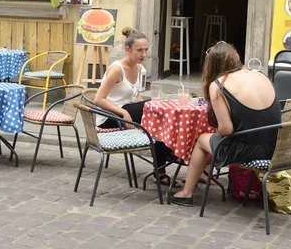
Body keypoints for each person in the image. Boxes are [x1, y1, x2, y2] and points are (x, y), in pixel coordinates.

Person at [170, 41, 281, 206]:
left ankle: (186, 193)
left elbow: (226, 129)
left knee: (202, 140)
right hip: (275, 148)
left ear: (212, 66)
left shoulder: (219, 85)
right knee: (213, 139)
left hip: (248, 151)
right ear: (236, 57)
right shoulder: (260, 75)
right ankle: (203, 174)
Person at [94, 27, 175, 185]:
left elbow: (134, 94)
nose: (144, 54)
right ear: (127, 49)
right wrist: (124, 112)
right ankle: (167, 159)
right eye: (139, 50)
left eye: (145, 50)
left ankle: (162, 167)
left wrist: (146, 105)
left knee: (158, 116)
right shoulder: (117, 70)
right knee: (157, 110)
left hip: (127, 112)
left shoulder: (139, 68)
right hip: (110, 117)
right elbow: (98, 99)